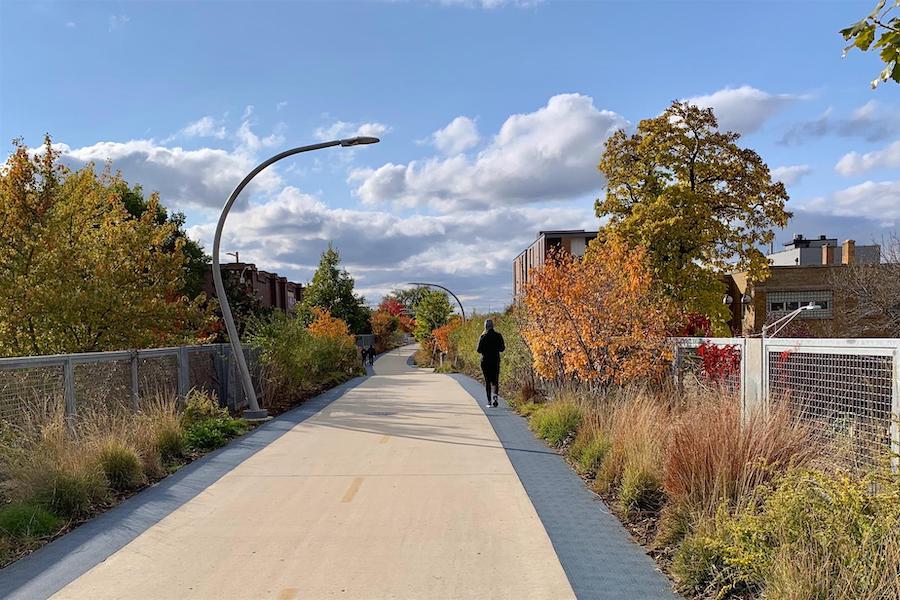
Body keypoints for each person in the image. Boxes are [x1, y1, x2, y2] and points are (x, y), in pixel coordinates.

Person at [476, 318, 505, 408]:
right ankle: (495, 397)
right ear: (493, 326)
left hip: (485, 361)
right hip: (495, 360)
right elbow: (502, 348)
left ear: (485, 326)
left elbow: (478, 350)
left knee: (487, 381)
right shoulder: (498, 336)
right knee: (495, 380)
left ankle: (489, 401)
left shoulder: (483, 337)